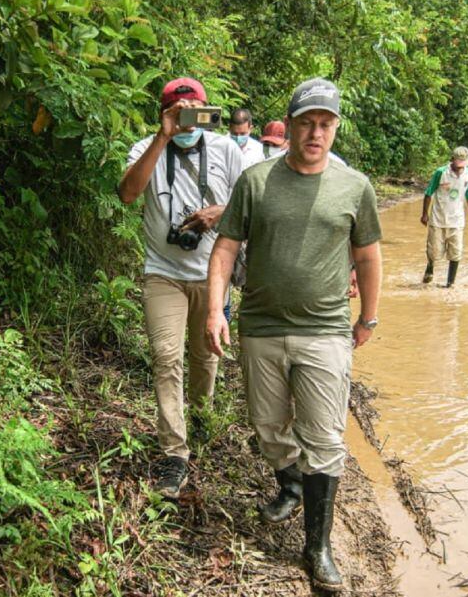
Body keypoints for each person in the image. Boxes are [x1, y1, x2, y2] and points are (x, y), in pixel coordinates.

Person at [204, 78, 382, 591]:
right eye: (307, 122)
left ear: (336, 128)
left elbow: (368, 255)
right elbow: (225, 250)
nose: (316, 133)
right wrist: (217, 311)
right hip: (260, 326)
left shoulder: (356, 187)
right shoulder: (256, 182)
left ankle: (318, 548)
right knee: (269, 429)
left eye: (326, 124)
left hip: (325, 330)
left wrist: (367, 317)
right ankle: (291, 482)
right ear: (291, 125)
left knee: (325, 437)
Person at [118, 77, 244, 499]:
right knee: (166, 356)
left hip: (213, 274)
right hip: (163, 271)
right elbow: (128, 194)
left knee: (205, 357)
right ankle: (174, 451)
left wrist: (219, 212)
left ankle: (202, 416)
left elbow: (249, 205)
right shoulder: (146, 147)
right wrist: (162, 136)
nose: (189, 121)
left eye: (196, 112)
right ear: (165, 111)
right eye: (179, 111)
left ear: (208, 111)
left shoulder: (226, 149)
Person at [420, 146, 468, 287]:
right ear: (452, 160)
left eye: (462, 164)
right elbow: (428, 193)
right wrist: (424, 214)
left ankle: (450, 283)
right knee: (434, 251)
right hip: (438, 219)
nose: (460, 168)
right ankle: (430, 267)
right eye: (458, 164)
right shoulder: (441, 172)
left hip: (457, 220)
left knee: (456, 252)